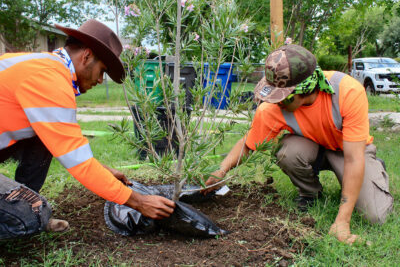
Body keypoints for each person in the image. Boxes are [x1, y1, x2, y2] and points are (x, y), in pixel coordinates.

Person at [0, 19, 175, 239]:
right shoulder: (51, 81)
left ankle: (21, 201)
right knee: (32, 217)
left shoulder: (43, 64)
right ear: (86, 56)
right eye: (102, 71)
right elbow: (79, 165)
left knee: (42, 141)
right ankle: (25, 212)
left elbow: (63, 143)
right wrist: (138, 201)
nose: (101, 80)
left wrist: (105, 172)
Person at [204, 44, 393, 244]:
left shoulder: (347, 92)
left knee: (375, 216)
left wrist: (342, 222)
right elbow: (250, 144)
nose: (276, 103)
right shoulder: (273, 108)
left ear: (305, 89)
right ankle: (311, 193)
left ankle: (374, 170)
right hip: (312, 148)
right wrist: (221, 170)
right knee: (287, 151)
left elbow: (354, 159)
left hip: (349, 151)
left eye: (282, 97)